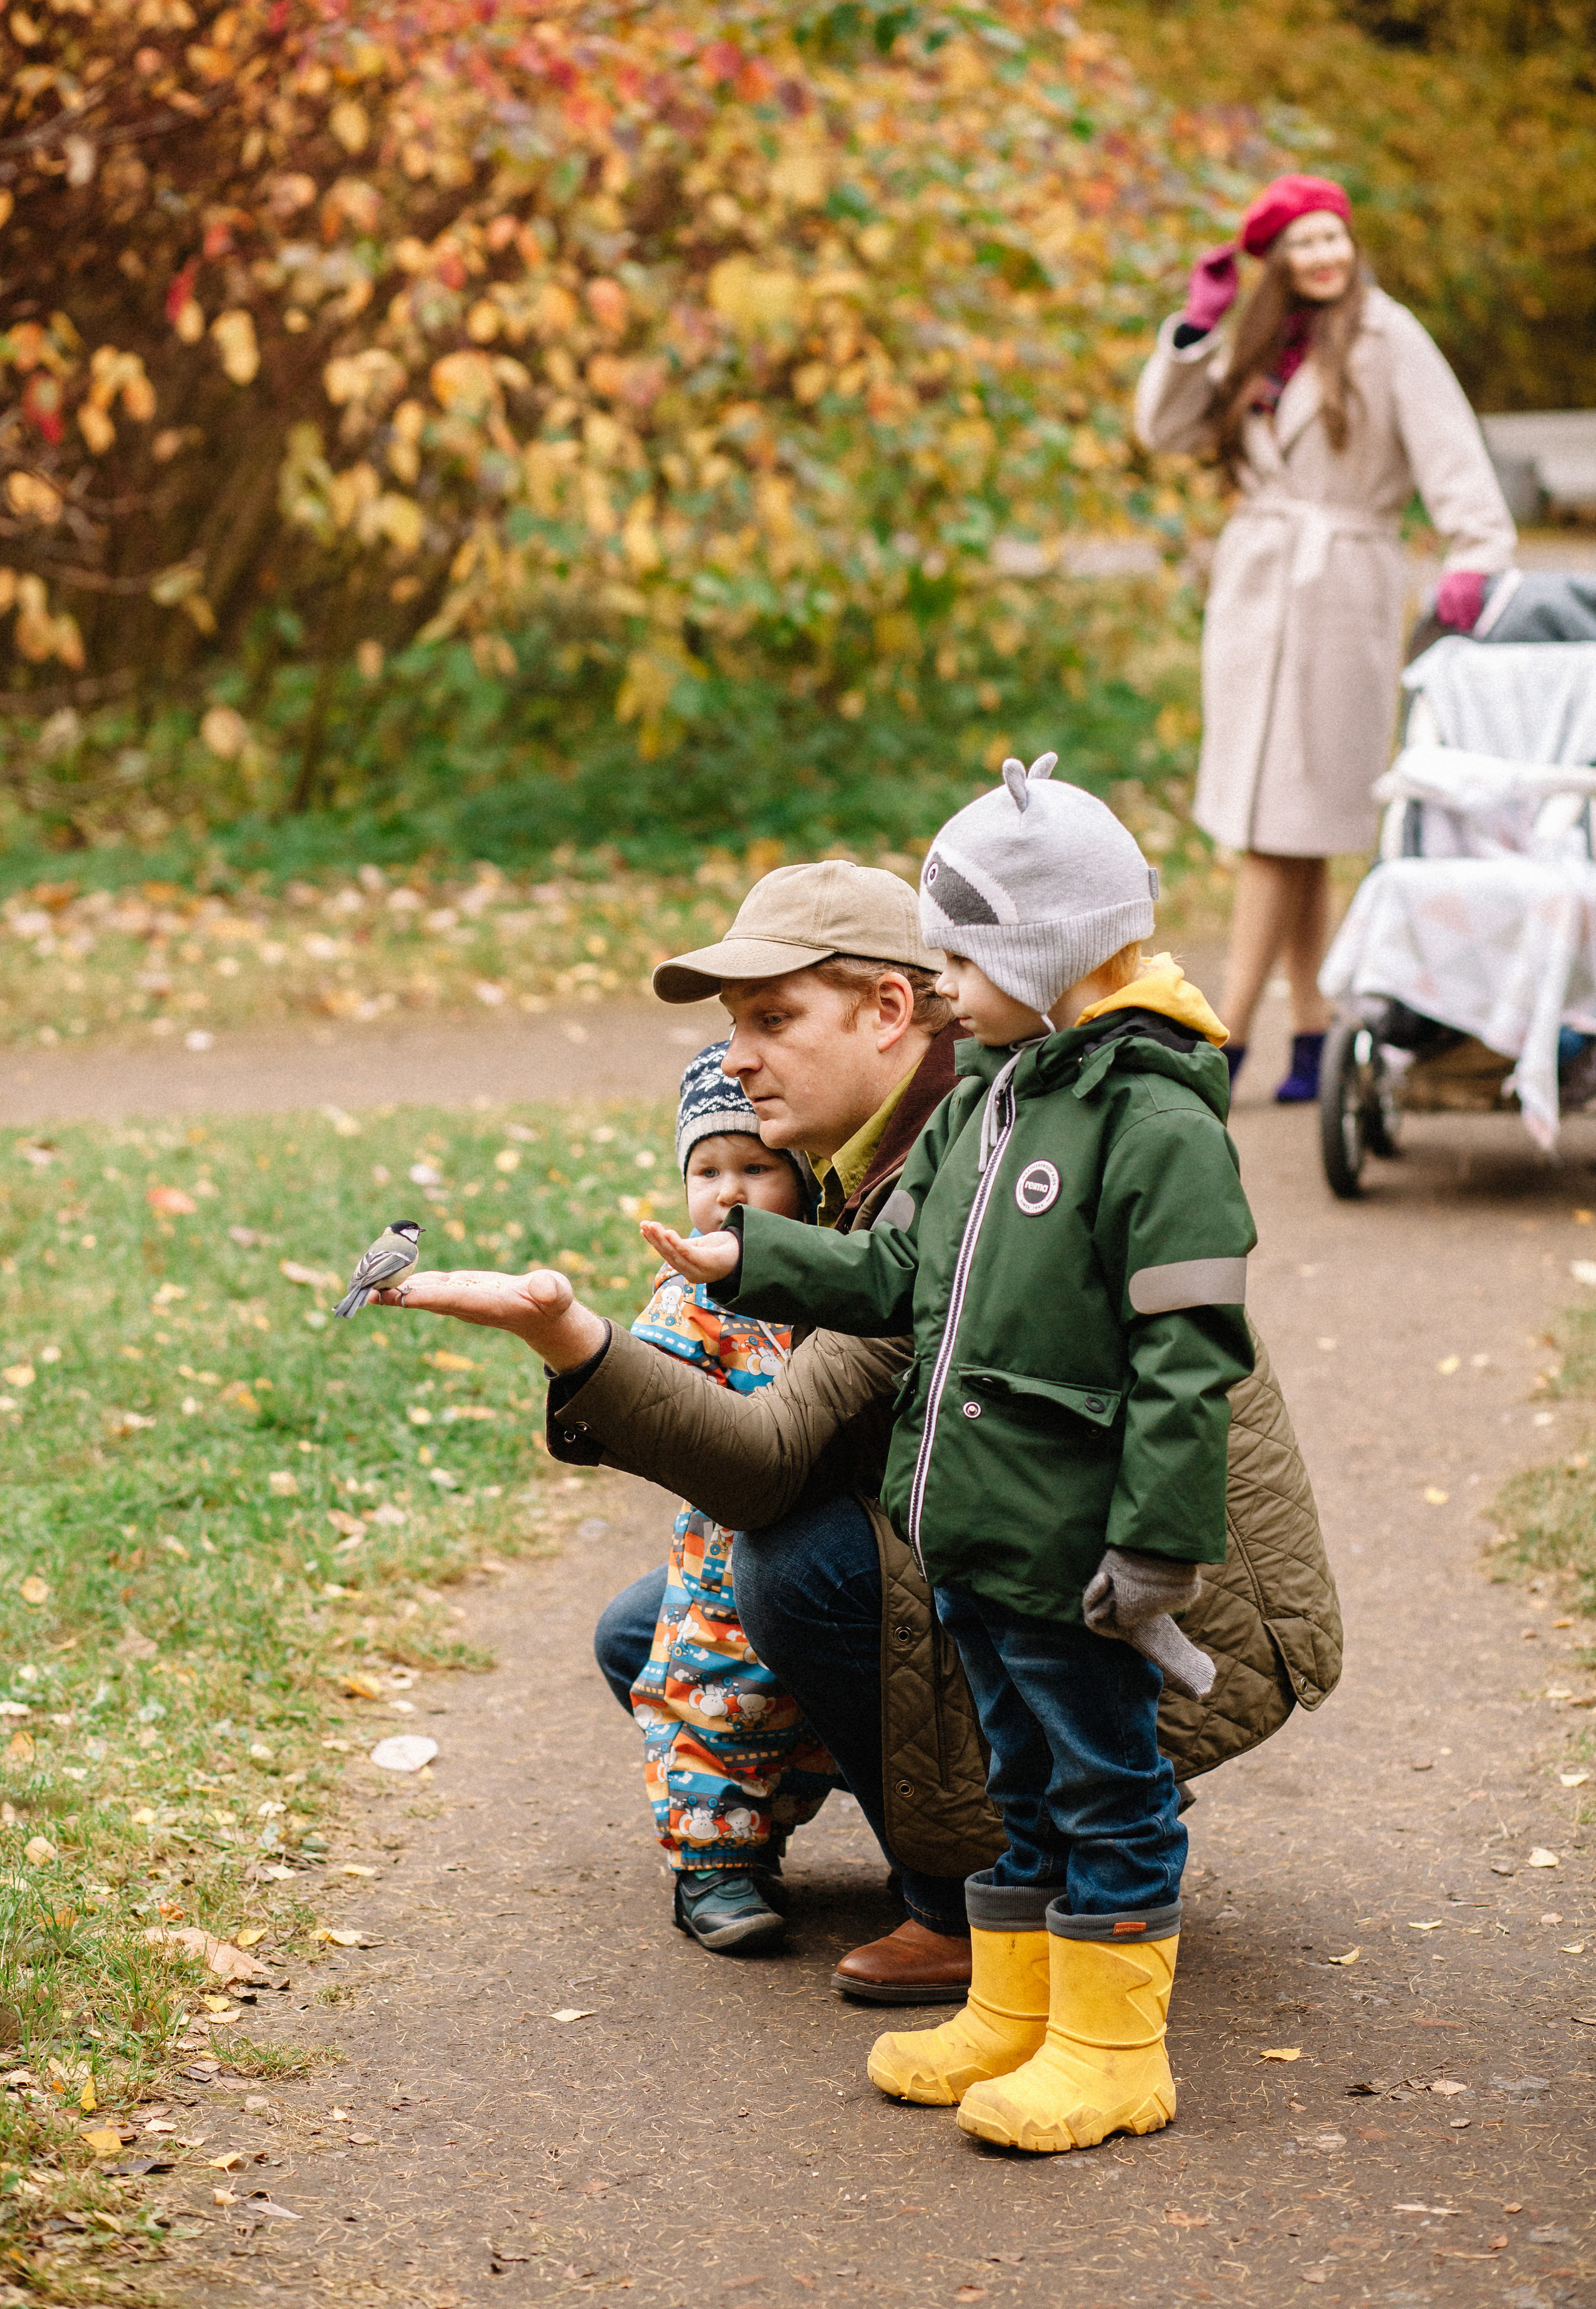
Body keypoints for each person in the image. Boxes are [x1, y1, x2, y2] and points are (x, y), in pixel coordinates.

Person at [371, 862, 1340, 2010]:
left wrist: (571, 1337)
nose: (737, 1058)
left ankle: (972, 1887)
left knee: (793, 1571)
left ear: (890, 1012)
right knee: (655, 1635)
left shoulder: (959, 1148)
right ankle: (974, 1808)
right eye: (735, 1029)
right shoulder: (885, 1137)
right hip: (1018, 1527)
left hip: (1148, 1585)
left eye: (773, 1021)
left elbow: (771, 1463)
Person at [642, 758, 1256, 2156]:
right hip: (972, 1522)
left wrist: (1155, 1545)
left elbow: (1187, 1357)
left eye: (963, 954)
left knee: (1105, 1783)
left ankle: (1112, 2049)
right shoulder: (993, 1098)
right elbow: (908, 1272)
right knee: (1016, 1778)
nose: (944, 984)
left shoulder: (1153, 1121)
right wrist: (755, 1258)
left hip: (1074, 1537)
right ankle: (1015, 2001)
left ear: (1041, 951)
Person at [1135, 170, 1517, 1104]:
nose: (1324, 257)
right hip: (1258, 589)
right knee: (1286, 828)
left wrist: (1478, 553)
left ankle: (1222, 1035)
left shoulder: (1390, 336)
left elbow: (1452, 451)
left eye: (1334, 238)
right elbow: (1167, 430)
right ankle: (1314, 1031)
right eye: (1303, 244)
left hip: (1340, 588)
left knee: (1278, 827)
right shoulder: (1259, 343)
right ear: (1275, 260)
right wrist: (1196, 331)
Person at [624, 1043, 835, 1953]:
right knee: (711, 1705)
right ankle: (712, 1870)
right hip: (721, 1563)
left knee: (801, 1724)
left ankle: (776, 1836)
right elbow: (651, 1396)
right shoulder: (692, 1301)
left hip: (821, 1545)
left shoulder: (829, 1277)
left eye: (756, 1167)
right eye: (707, 1171)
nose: (729, 1192)